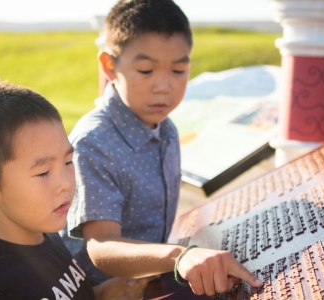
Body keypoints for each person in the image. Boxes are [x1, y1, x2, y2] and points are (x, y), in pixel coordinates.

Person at [60, 0, 264, 296]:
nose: (164, 87)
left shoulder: (166, 129)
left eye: (179, 70)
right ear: (109, 66)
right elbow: (101, 246)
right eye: (146, 70)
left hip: (153, 277)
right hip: (100, 290)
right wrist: (180, 256)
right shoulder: (95, 143)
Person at [0, 75, 156, 300]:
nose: (65, 184)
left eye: (68, 162)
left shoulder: (48, 236)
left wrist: (100, 294)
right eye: (43, 172)